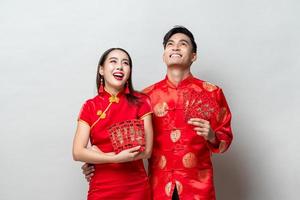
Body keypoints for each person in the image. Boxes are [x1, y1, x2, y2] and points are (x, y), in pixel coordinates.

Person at [82, 26, 233, 200]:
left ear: (194, 56)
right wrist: (96, 162)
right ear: (164, 55)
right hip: (158, 188)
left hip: (197, 188)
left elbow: (225, 140)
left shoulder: (212, 93)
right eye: (170, 44)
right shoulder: (145, 97)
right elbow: (124, 139)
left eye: (183, 44)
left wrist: (212, 136)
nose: (175, 47)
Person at [73, 48, 153, 200]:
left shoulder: (142, 102)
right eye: (113, 61)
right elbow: (77, 152)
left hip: (136, 187)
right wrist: (115, 158)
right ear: (101, 70)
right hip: (102, 187)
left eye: (125, 63)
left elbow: (147, 151)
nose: (120, 66)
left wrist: (98, 156)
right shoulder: (90, 106)